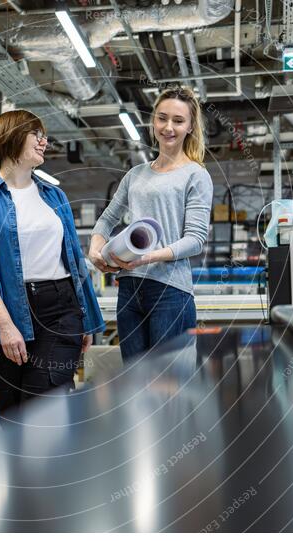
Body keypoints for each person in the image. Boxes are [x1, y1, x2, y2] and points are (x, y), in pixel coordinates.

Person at [0, 110, 105, 415]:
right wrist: (6, 326)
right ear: (11, 139)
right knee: (13, 419)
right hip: (5, 313)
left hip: (61, 312)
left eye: (44, 135)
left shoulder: (54, 195)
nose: (44, 141)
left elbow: (73, 259)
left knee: (42, 413)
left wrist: (86, 317)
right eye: (36, 135)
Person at [88, 86, 213, 361]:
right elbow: (107, 219)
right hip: (130, 289)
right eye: (162, 118)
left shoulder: (196, 175)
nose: (168, 127)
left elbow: (195, 240)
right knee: (136, 383)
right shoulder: (135, 175)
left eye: (178, 121)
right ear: (153, 121)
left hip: (170, 291)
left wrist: (147, 258)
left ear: (190, 126)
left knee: (168, 388)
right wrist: (96, 249)